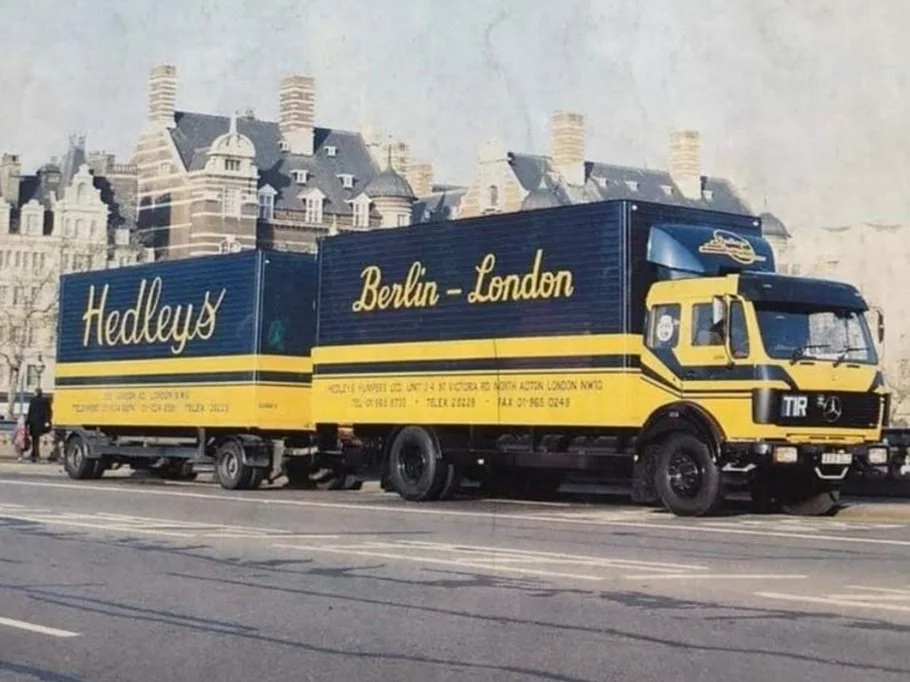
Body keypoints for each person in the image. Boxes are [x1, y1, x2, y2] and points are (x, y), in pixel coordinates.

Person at [25, 388, 52, 462]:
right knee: (37, 439)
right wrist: (47, 421)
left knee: (35, 439)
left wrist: (27, 423)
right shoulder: (45, 401)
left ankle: (36, 455)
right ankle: (34, 454)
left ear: (36, 393)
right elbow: (48, 412)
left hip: (33, 423)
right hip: (41, 423)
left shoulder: (32, 400)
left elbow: (30, 412)